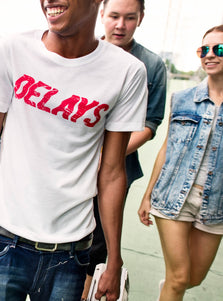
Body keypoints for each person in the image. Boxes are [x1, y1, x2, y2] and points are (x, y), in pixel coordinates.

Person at [0, 0, 148, 300]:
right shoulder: (12, 50)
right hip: (3, 241)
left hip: (72, 252)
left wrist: (113, 258)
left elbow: (113, 172)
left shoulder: (128, 72)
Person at [82, 0, 167, 298]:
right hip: (75, 161)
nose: (120, 25)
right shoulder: (83, 51)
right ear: (101, 14)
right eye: (114, 16)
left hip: (119, 163)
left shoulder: (152, 65)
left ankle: (90, 285)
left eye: (129, 18)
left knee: (102, 234)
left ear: (141, 19)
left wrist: (109, 157)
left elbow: (150, 124)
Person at [138, 25, 223, 301]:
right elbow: (167, 150)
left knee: (193, 279)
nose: (210, 55)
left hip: (216, 203)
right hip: (174, 195)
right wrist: (148, 194)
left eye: (218, 49)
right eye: (204, 50)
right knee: (178, 278)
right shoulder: (183, 99)